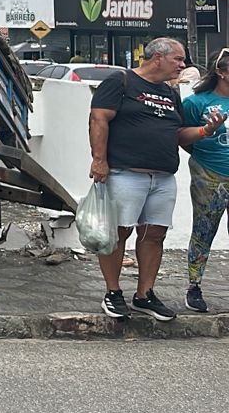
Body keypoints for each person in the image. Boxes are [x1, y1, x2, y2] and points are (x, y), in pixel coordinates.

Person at [90, 37, 226, 320]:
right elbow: (99, 119)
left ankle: (144, 294)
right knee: (118, 233)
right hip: (126, 173)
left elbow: (178, 134)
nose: (183, 65)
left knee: (154, 235)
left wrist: (205, 131)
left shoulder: (170, 92)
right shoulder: (121, 81)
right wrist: (99, 160)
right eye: (178, 59)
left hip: (163, 177)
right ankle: (113, 292)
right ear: (157, 57)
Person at [181, 47, 229, 312]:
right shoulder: (197, 102)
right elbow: (181, 136)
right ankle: (194, 286)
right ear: (221, 72)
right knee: (203, 231)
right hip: (209, 174)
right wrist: (206, 131)